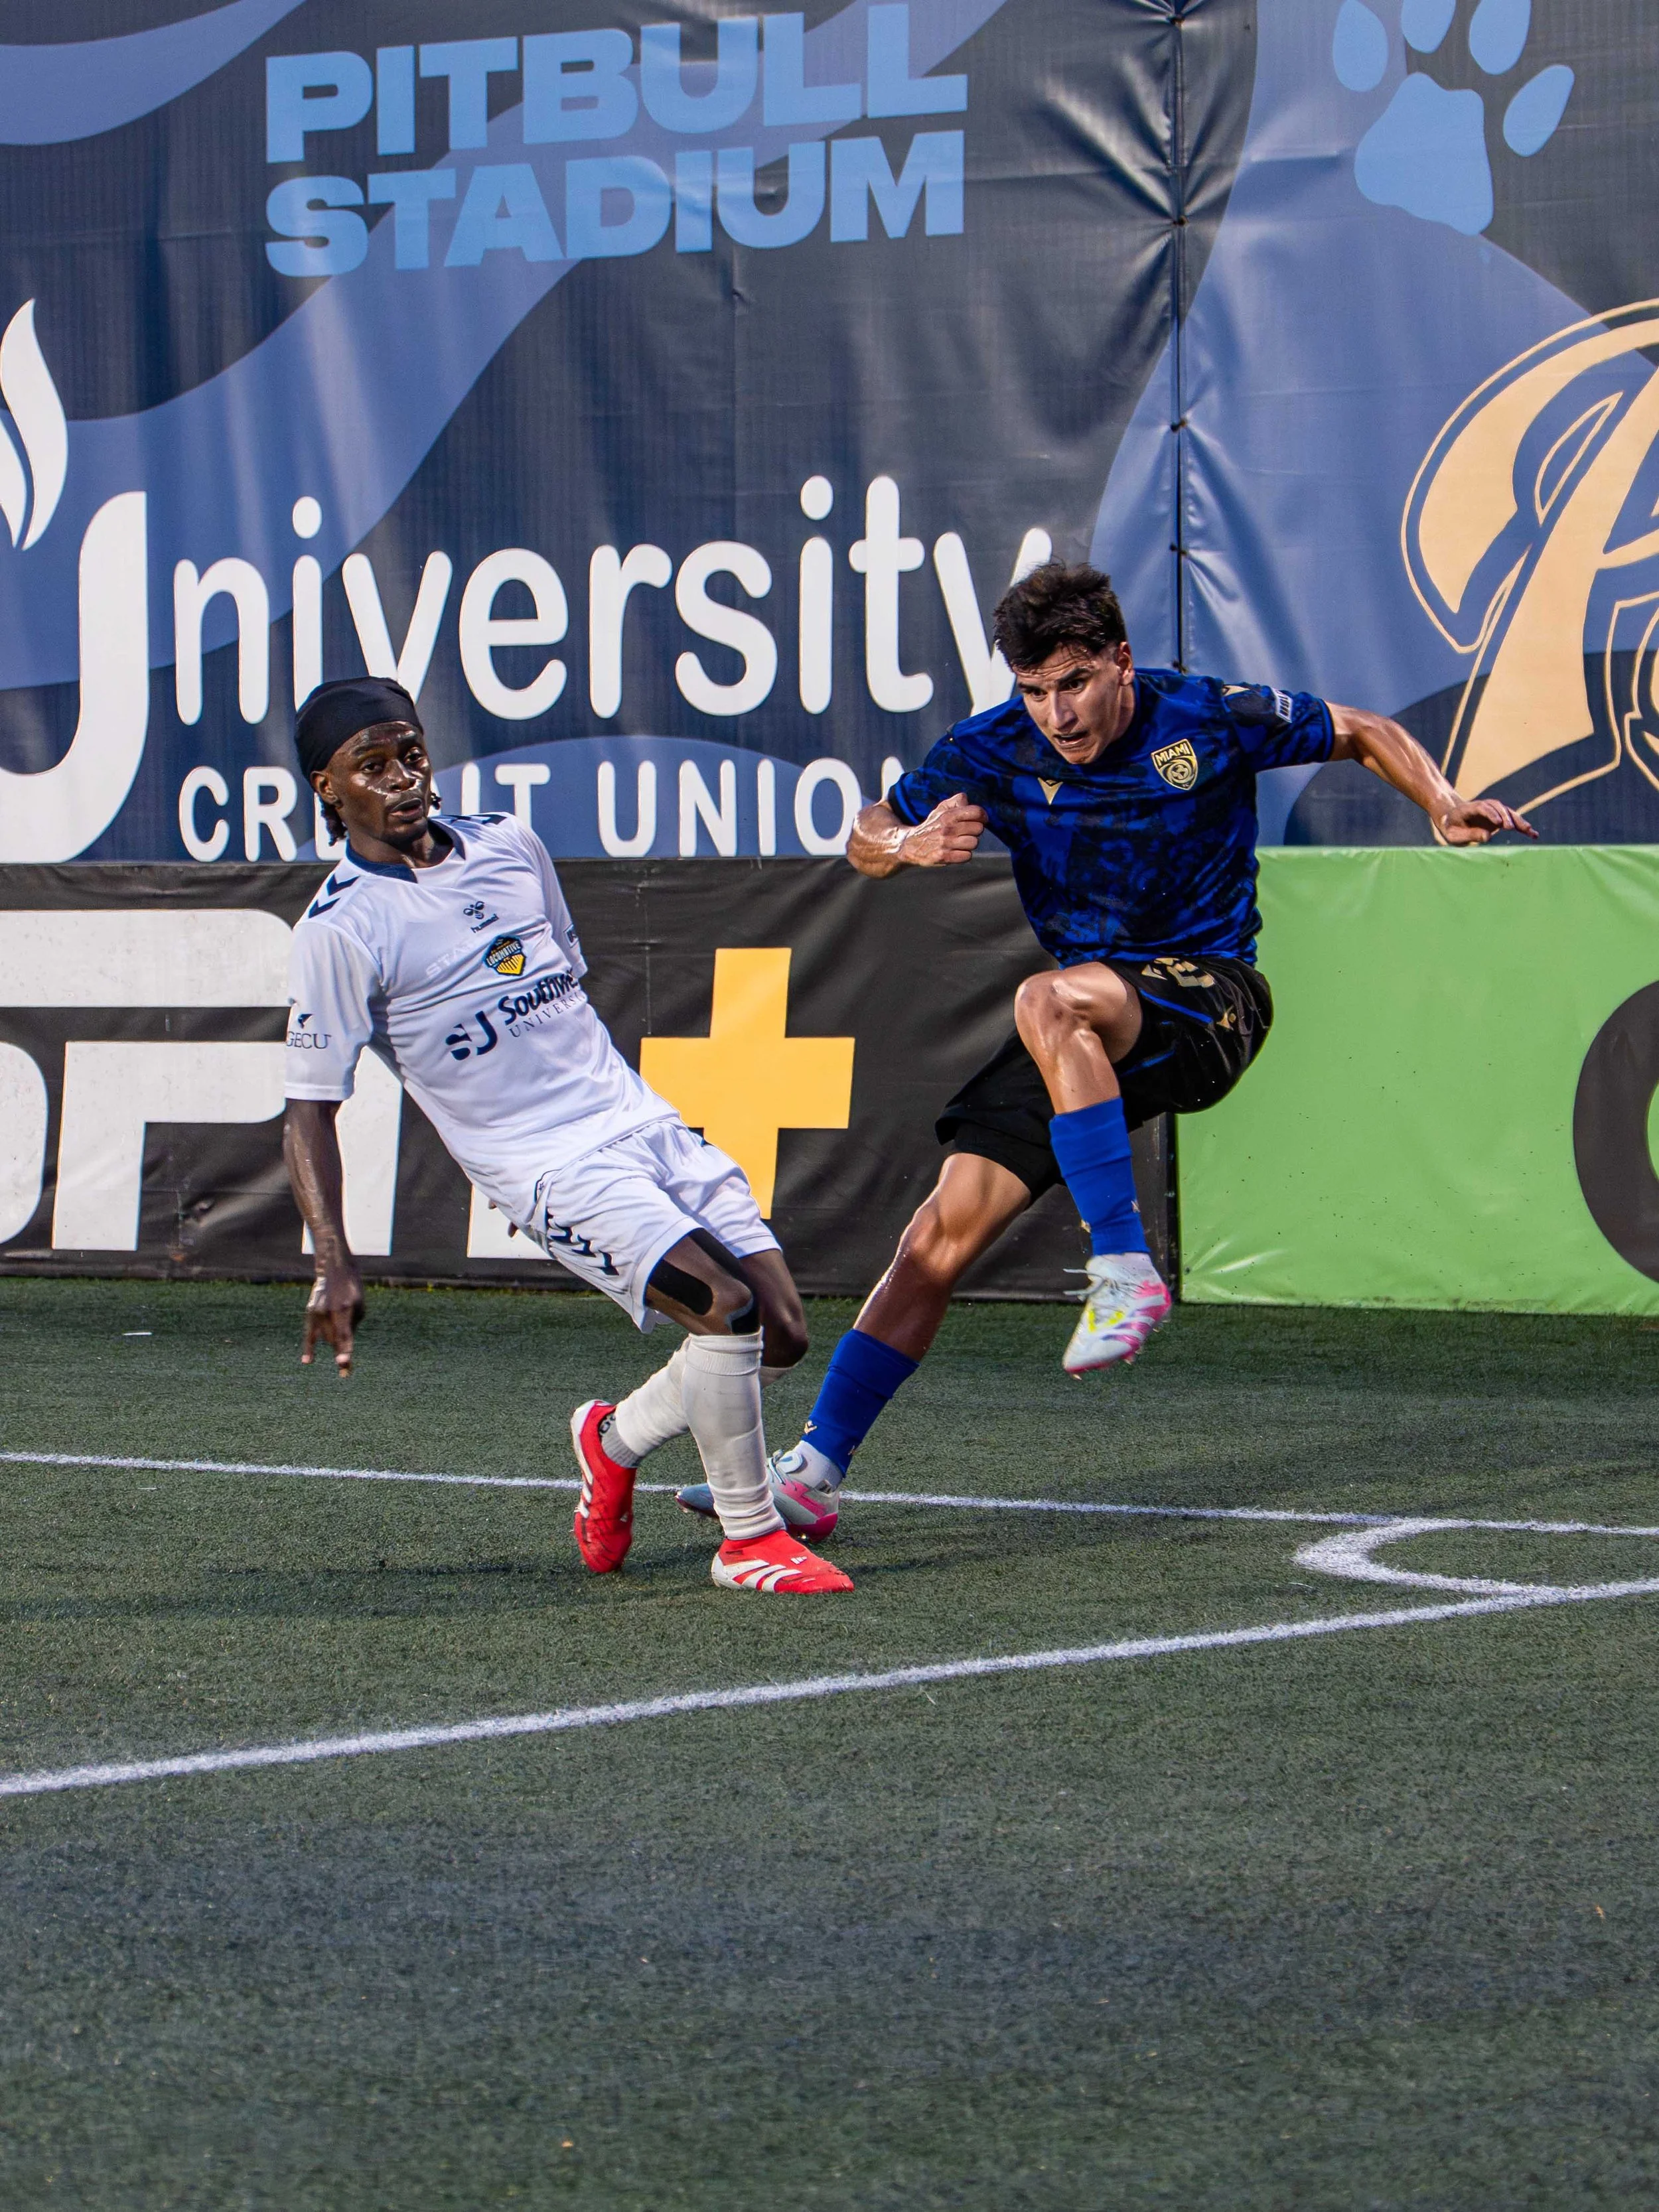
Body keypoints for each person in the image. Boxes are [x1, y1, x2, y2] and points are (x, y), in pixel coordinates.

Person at [678, 559, 1534, 1542]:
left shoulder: (1208, 714)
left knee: (1046, 999)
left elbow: (1359, 729)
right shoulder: (992, 747)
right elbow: (866, 835)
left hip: (1211, 1001)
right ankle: (817, 1469)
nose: (1058, 713)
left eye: (1076, 682)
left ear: (1121, 661)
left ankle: (1123, 1266)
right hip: (1086, 1027)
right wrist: (905, 845)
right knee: (935, 1236)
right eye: (1035, 690)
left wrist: (1438, 798)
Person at [280, 675, 851, 1595]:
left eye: (411, 751)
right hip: (545, 1165)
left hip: (639, 1118)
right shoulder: (342, 929)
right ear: (329, 788)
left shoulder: (509, 844)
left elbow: (563, 984)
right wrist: (331, 1259)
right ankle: (747, 1538)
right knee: (724, 1308)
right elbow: (309, 1105)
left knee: (780, 1330)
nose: (402, 777)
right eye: (371, 765)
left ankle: (611, 1440)